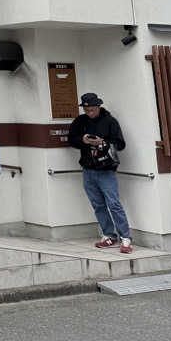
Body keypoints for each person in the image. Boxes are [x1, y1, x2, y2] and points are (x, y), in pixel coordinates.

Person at [68, 92, 132, 253]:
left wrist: (103, 143)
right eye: (86, 110)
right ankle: (109, 235)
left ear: (98, 106)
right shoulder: (80, 121)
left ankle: (126, 238)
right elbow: (71, 139)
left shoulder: (110, 121)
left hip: (106, 169)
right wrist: (82, 140)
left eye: (92, 109)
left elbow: (120, 144)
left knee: (114, 203)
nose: (89, 112)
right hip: (88, 169)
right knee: (97, 205)